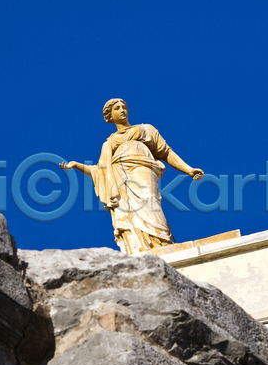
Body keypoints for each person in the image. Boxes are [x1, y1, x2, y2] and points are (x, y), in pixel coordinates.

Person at [60, 98, 203, 254]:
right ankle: (140, 246)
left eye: (124, 107)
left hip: (143, 169)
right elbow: (100, 171)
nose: (122, 110)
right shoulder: (109, 143)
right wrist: (76, 165)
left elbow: (166, 152)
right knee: (128, 212)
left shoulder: (146, 129)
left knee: (149, 199)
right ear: (110, 116)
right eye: (117, 108)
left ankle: (161, 241)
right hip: (119, 177)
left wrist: (188, 169)